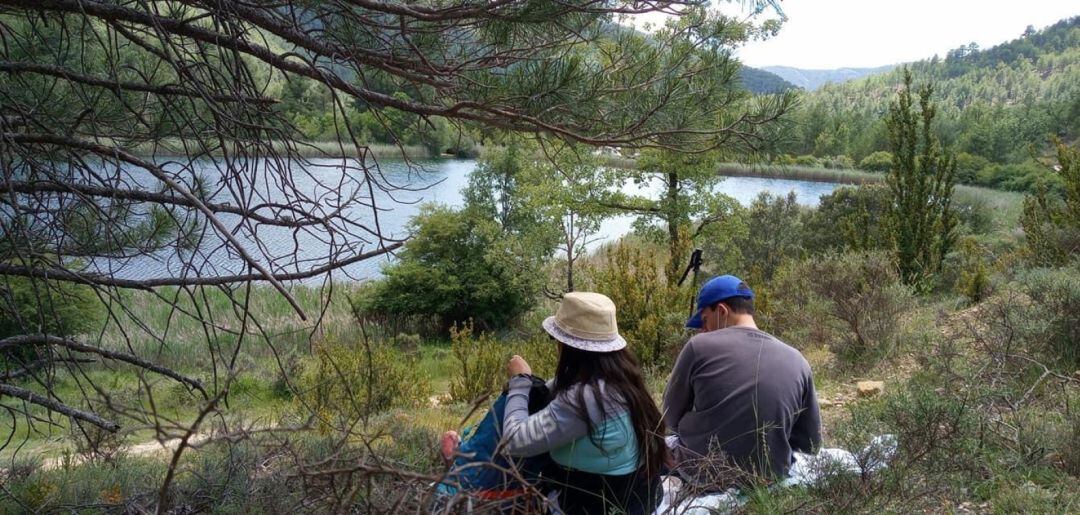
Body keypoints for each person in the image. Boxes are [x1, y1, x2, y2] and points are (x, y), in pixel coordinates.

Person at [500, 291, 667, 514]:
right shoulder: (624, 381)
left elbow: (514, 441)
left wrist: (519, 382)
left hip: (593, 504)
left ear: (569, 347)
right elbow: (557, 388)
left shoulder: (585, 399)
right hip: (641, 501)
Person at [663, 275, 821, 489]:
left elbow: (669, 417)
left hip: (702, 474)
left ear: (721, 311)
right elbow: (809, 443)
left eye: (704, 321)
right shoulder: (797, 359)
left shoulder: (698, 347)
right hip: (770, 476)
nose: (704, 330)